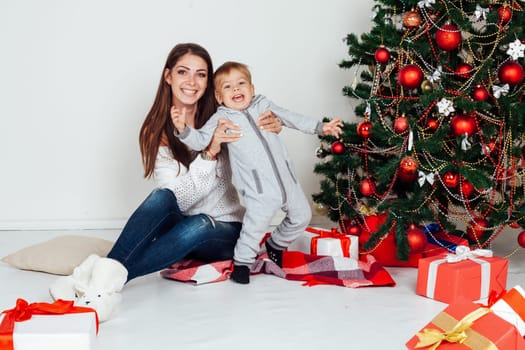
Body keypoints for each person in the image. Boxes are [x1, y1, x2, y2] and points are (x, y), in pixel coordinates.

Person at [48, 44, 282, 321]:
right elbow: (178, 199)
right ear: (168, 76)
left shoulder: (223, 118)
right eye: (183, 72)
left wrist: (271, 128)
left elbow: (259, 145)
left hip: (222, 229)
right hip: (181, 223)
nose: (192, 82)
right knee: (161, 197)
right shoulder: (156, 129)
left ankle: (93, 279)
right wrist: (209, 154)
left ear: (209, 82)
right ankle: (100, 282)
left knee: (198, 222)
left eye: (201, 74)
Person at [172, 61, 343, 284]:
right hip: (258, 188)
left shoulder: (264, 105)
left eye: (241, 83)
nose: (235, 89)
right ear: (218, 97)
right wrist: (183, 129)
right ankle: (242, 263)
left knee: (302, 216)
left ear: (252, 89)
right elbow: (200, 140)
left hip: (287, 180)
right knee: (254, 227)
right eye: (228, 86)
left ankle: (275, 245)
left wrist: (321, 127)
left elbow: (291, 117)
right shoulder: (221, 119)